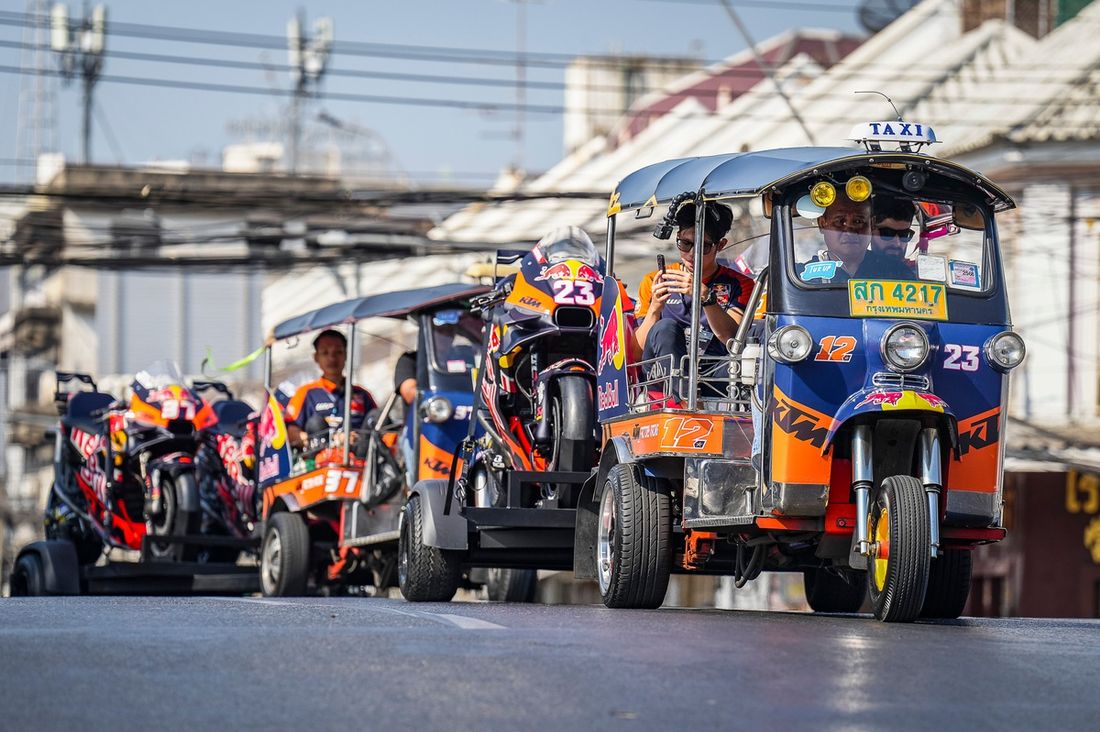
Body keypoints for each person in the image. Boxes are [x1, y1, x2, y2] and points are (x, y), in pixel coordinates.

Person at [634, 202, 754, 397]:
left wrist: (705, 297)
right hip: (664, 376)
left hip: (714, 374)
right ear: (677, 238)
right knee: (665, 327)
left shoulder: (740, 283)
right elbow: (636, 353)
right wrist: (655, 309)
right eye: (685, 244)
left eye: (703, 247)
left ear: (720, 245)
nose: (691, 254)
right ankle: (685, 399)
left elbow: (733, 340)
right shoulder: (654, 280)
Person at [284, 329, 377, 451]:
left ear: (346, 355)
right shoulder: (306, 393)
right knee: (316, 423)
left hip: (359, 458)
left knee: (376, 416)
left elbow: (378, 424)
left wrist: (357, 438)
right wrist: (332, 439)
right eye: (325, 353)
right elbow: (291, 431)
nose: (332, 358)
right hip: (321, 462)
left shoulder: (362, 395)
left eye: (338, 352)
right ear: (316, 357)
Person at [800, 194, 913, 282]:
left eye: (858, 221)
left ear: (872, 224)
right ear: (822, 224)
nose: (850, 232)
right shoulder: (800, 277)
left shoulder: (898, 273)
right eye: (840, 221)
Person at [871, 196, 917, 260]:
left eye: (903, 235)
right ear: (870, 230)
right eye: (887, 234)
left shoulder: (916, 268)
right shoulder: (854, 266)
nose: (897, 244)